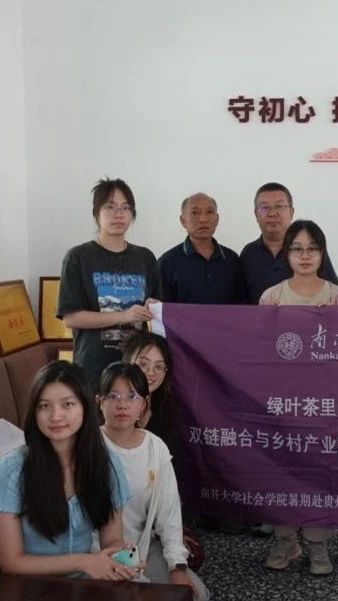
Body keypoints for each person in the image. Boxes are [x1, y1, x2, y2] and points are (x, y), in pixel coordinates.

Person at [261, 220, 338, 575]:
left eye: (312, 248)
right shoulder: (271, 297)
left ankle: (317, 543)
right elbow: (259, 351)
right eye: (297, 248)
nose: (305, 255)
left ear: (322, 253)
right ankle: (284, 539)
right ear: (286, 254)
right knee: (281, 471)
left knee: (319, 472)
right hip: (283, 401)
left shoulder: (337, 296)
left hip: (323, 403)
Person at [0, 361, 133, 580]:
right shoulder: (12, 470)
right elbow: (11, 562)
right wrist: (83, 561)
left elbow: (112, 540)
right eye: (44, 406)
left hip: (86, 582)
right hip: (28, 585)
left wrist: (122, 560)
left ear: (85, 407)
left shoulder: (107, 464)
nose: (55, 416)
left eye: (67, 404)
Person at [97, 362, 209, 600]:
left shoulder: (155, 448)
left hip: (142, 548)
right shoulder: (89, 446)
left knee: (195, 594)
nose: (122, 404)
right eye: (113, 396)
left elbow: (169, 515)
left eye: (132, 396)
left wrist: (177, 567)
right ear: (99, 401)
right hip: (95, 553)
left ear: (144, 404)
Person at [57, 178, 160, 391]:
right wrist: (124, 315)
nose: (118, 214)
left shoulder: (145, 257)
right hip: (94, 369)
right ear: (96, 213)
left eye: (125, 208)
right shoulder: (78, 257)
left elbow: (156, 314)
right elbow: (71, 317)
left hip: (137, 368)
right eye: (110, 207)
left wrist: (153, 307)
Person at [241, 182, 338, 304]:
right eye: (265, 207)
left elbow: (335, 297)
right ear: (256, 214)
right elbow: (241, 302)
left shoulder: (310, 251)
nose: (272, 213)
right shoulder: (249, 253)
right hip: (261, 316)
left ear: (291, 212)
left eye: (279, 206)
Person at [158, 192, 247, 304]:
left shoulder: (232, 260)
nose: (203, 219)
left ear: (217, 219)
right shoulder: (167, 262)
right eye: (195, 213)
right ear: (183, 221)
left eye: (209, 212)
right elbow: (161, 309)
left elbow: (243, 305)